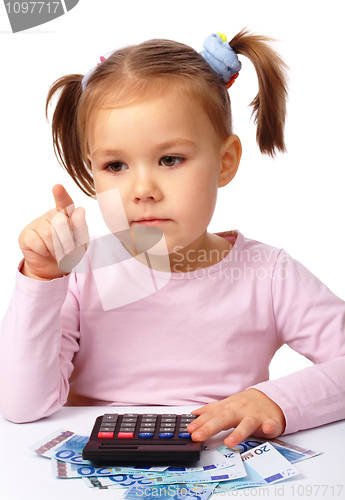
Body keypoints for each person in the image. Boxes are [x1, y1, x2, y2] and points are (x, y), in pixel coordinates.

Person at [0, 30, 344, 450]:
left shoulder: (268, 275)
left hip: (220, 466)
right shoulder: (78, 272)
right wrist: (40, 278)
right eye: (116, 165)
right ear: (92, 173)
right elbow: (21, 406)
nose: (142, 188)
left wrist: (274, 400)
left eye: (170, 159)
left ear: (225, 162)